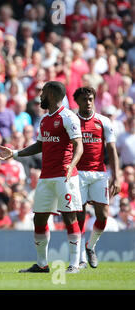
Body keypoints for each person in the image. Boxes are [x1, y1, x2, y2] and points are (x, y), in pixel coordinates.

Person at [0, 81, 84, 274]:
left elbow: (79, 145)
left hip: (65, 176)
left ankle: (74, 264)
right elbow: (39, 146)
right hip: (46, 176)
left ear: (51, 94)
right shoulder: (44, 120)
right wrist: (15, 153)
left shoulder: (68, 117)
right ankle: (42, 264)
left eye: (43, 93)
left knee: (70, 217)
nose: (40, 97)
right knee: (39, 219)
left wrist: (72, 165)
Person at [73, 86, 121, 269]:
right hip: (77, 174)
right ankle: (79, 259)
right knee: (79, 216)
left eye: (91, 99)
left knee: (103, 215)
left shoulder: (103, 121)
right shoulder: (72, 121)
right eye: (85, 99)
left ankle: (90, 247)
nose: (88, 102)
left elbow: (112, 150)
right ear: (77, 101)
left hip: (99, 174)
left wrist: (116, 177)